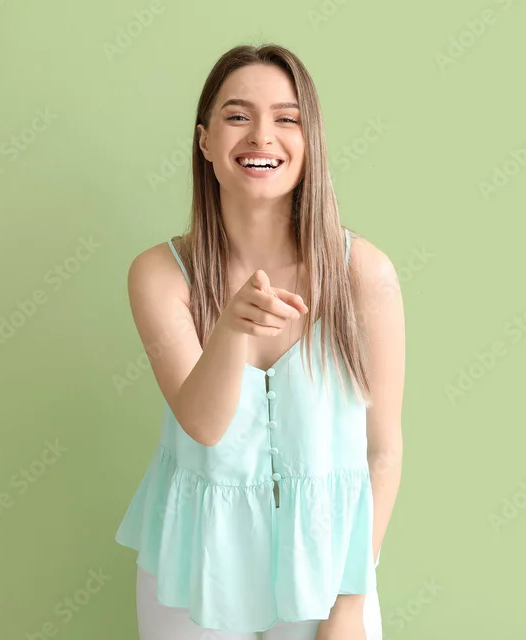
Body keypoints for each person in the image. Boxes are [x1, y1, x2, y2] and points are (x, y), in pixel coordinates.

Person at [115, 43, 406, 640]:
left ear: (310, 141)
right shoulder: (161, 275)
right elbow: (204, 425)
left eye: (287, 118)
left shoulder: (363, 274)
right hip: (192, 563)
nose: (261, 137)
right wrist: (231, 329)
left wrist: (350, 605)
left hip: (328, 568)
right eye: (238, 115)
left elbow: (383, 452)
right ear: (204, 141)